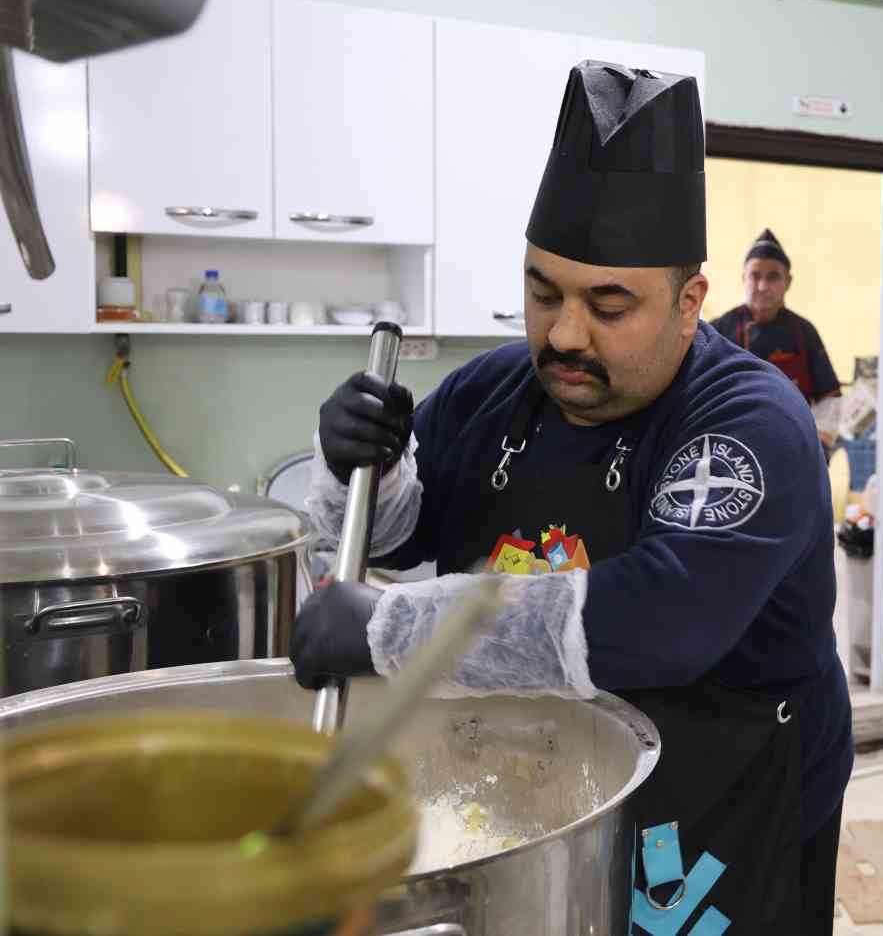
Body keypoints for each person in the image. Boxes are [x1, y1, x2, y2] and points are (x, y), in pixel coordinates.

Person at [291, 61, 853, 934]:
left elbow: (662, 619)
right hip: (537, 795)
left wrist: (384, 630)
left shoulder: (747, 422)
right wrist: (357, 464)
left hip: (728, 811)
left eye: (609, 304)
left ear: (688, 301)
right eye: (542, 290)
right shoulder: (493, 389)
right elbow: (400, 537)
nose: (562, 334)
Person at [711, 230, 843, 448]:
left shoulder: (804, 331)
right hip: (732, 447)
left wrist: (818, 445)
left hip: (792, 445)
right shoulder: (718, 330)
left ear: (788, 281)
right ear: (743, 278)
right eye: (755, 276)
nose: (763, 286)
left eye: (773, 277)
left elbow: (830, 398)